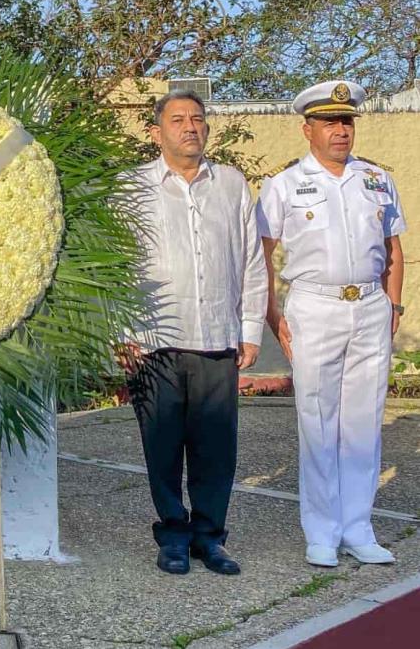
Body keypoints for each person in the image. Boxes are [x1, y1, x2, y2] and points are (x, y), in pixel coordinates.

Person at [258, 80, 406, 568]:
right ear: (308, 129)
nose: (341, 130)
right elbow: (264, 257)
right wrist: (274, 317)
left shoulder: (376, 179)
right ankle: (321, 531)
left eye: (346, 121)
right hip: (315, 308)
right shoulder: (284, 185)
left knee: (363, 421)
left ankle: (359, 526)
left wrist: (394, 307)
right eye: (329, 123)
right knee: (318, 421)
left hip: (368, 306)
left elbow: (393, 251)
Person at [120, 89, 266, 576]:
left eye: (198, 119)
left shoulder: (231, 183)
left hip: (217, 337)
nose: (190, 127)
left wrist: (249, 331)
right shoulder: (131, 187)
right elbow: (117, 267)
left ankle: (210, 537)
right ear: (156, 130)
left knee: (215, 449)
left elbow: (251, 260)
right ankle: (173, 536)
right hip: (154, 340)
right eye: (178, 119)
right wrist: (121, 332)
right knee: (161, 446)